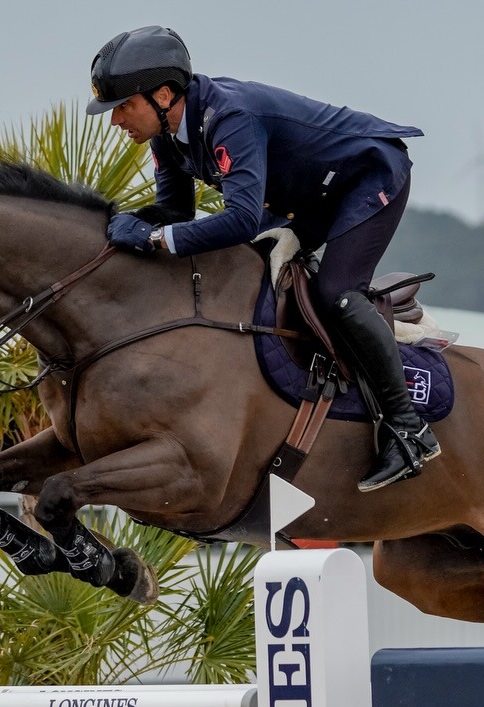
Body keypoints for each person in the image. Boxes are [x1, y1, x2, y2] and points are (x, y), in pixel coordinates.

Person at [87, 25, 441, 493]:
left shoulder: (229, 116)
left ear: (164, 95)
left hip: (369, 175)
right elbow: (176, 212)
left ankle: (409, 428)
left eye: (122, 107)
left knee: (336, 292)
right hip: (308, 196)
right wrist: (120, 225)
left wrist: (154, 240)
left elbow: (237, 220)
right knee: (247, 270)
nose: (115, 121)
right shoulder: (166, 133)